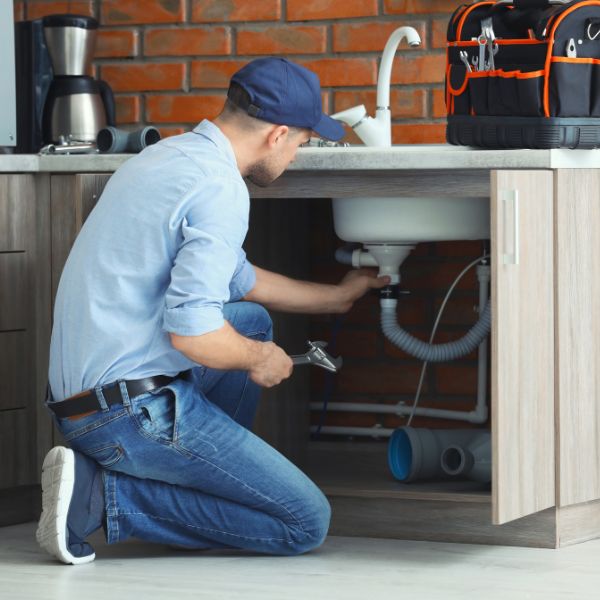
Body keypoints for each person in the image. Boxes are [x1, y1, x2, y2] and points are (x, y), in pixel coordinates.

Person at [36, 57, 390, 565]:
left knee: (250, 320)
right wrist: (258, 359)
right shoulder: (221, 189)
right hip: (125, 415)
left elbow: (239, 280)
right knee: (304, 522)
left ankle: (197, 478)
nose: (296, 155)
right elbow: (194, 336)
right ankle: (100, 496)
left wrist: (336, 297)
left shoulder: (171, 157)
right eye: (302, 143)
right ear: (278, 135)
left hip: (81, 399)